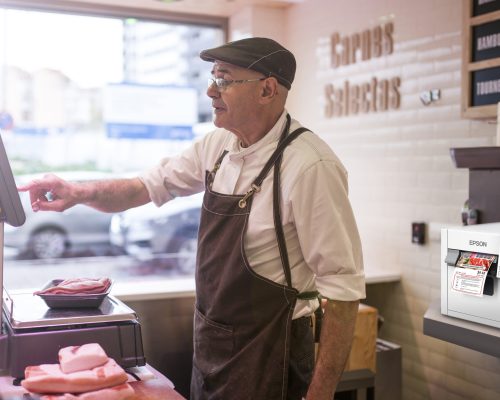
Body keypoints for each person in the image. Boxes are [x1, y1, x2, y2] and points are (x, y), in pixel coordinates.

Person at [19, 37, 365, 400]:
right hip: (213, 349)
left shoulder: (310, 166)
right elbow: (143, 187)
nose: (210, 91)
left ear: (267, 89)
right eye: (213, 77)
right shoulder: (217, 147)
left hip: (274, 354)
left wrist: (320, 394)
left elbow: (343, 290)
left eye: (225, 79)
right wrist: (76, 192)